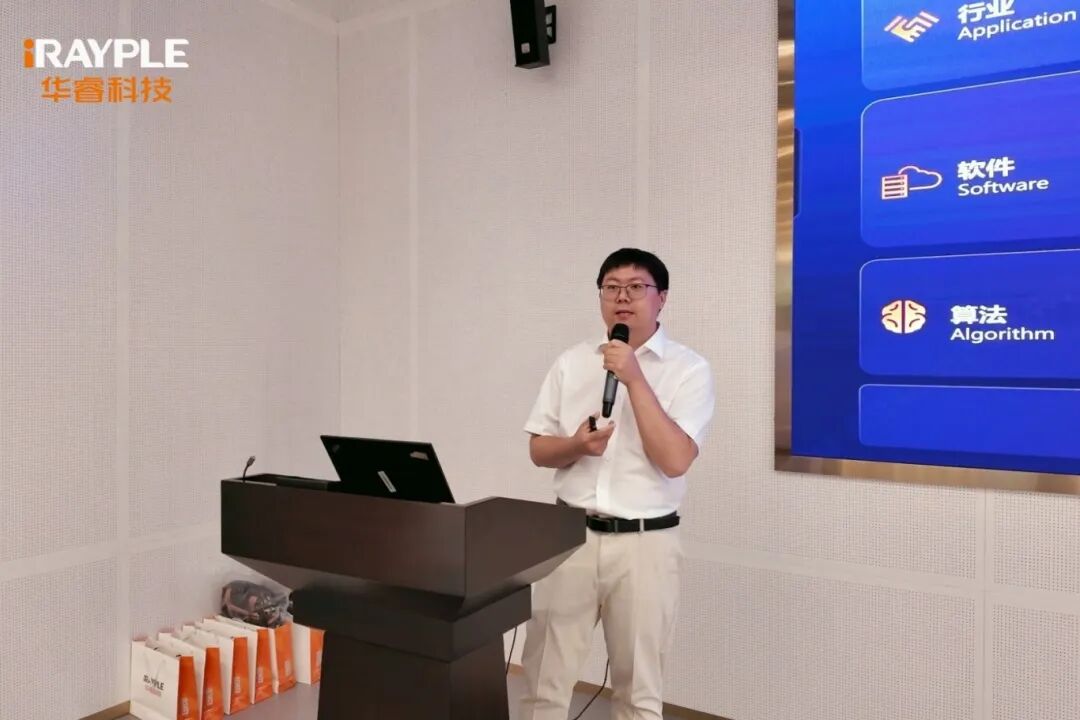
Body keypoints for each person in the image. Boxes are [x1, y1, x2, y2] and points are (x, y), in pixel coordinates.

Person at [519, 248, 715, 720]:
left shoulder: (690, 369)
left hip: (646, 544)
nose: (622, 298)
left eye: (636, 287)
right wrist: (576, 445)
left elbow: (675, 461)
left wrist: (634, 377)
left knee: (638, 693)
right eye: (611, 288)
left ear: (661, 298)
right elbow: (539, 450)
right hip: (568, 538)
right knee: (544, 682)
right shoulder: (571, 362)